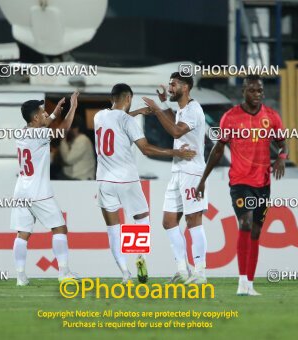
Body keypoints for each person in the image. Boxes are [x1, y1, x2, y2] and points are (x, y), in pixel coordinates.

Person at [95, 83, 196, 284]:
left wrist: (138, 112)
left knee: (113, 229)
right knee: (140, 219)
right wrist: (177, 152)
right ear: (128, 98)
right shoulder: (127, 121)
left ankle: (125, 273)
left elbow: (117, 120)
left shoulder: (99, 116)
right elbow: (146, 149)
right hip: (127, 179)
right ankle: (139, 257)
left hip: (104, 181)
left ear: (111, 99)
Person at [195, 75, 287, 296]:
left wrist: (282, 157)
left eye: (260, 91)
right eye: (253, 91)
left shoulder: (271, 116)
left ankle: (249, 284)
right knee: (245, 223)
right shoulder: (231, 117)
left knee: (256, 231)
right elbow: (218, 150)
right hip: (239, 182)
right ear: (244, 91)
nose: (258, 95)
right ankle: (241, 282)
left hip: (263, 183)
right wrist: (202, 180)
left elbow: (282, 142)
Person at [142, 73, 208, 284]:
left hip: (192, 172)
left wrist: (157, 110)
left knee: (193, 220)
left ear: (186, 87)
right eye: (170, 84)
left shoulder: (194, 109)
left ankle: (200, 272)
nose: (170, 87)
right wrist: (163, 105)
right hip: (178, 171)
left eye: (173, 84)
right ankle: (182, 269)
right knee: (169, 221)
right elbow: (175, 121)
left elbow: (177, 132)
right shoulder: (183, 108)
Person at [11, 91, 80, 286]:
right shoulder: (38, 133)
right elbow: (63, 131)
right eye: (42, 112)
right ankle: (64, 272)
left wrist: (54, 114)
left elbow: (43, 125)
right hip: (38, 191)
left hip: (21, 190)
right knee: (60, 228)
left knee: (22, 233)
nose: (45, 114)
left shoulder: (22, 132)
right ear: (35, 117)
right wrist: (72, 108)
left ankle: (20, 276)